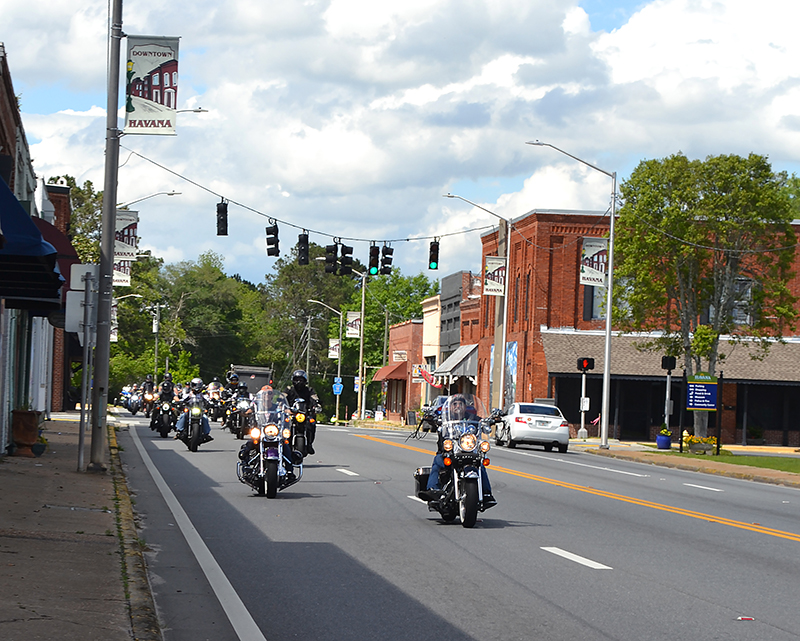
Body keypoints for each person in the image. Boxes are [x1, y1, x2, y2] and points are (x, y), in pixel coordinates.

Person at [424, 393, 496, 507]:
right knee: (438, 461)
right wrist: (431, 418)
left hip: (469, 452)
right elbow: (434, 420)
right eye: (455, 404)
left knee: (480, 465)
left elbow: (482, 422)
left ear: (465, 406)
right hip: (449, 453)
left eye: (460, 404)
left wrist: (491, 420)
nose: (458, 406)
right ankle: (433, 490)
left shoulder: (472, 418)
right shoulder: (445, 418)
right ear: (450, 406)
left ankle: (486, 494)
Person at [282, 369, 321, 455]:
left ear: (305, 381)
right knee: (283, 424)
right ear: (293, 380)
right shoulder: (289, 390)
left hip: (305, 413)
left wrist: (317, 406)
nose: (299, 382)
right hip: (290, 413)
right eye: (296, 379)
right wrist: (279, 404)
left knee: (312, 423)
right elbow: (282, 398)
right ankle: (283, 442)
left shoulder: (309, 390)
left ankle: (309, 444)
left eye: (301, 380)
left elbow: (315, 398)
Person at [174, 377, 213, 442]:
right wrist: (179, 401)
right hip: (190, 410)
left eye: (198, 385)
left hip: (199, 410)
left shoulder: (202, 395)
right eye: (195, 385)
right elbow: (183, 399)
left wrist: (211, 403)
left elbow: (208, 400)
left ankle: (206, 434)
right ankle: (179, 431)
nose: (196, 387)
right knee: (183, 416)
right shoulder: (189, 394)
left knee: (205, 418)